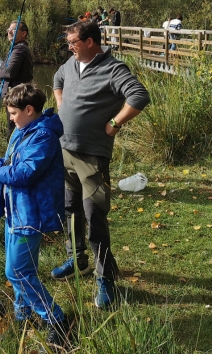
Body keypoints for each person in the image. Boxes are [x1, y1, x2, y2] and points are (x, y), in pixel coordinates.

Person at [52, 21, 150, 309]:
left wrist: (114, 123)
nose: (69, 46)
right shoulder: (70, 64)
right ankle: (77, 257)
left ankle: (104, 277)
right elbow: (57, 79)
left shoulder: (113, 68)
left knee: (94, 215)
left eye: (73, 42)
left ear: (91, 42)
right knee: (70, 209)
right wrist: (60, 104)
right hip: (64, 149)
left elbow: (139, 95)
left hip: (92, 155)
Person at [0, 84, 70, 348]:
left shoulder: (43, 136)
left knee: (18, 272)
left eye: (12, 113)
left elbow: (25, 173)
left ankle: (56, 319)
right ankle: (22, 317)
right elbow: (8, 161)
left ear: (29, 110)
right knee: (22, 269)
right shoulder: (23, 130)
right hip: (14, 211)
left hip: (29, 215)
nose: (10, 118)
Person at [0, 20, 33, 135]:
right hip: (17, 95)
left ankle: (13, 152)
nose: (10, 32)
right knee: (14, 127)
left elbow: (9, 72)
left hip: (18, 96)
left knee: (14, 130)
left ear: (24, 34)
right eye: (8, 30)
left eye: (14, 29)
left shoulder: (19, 49)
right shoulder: (18, 48)